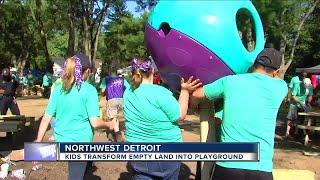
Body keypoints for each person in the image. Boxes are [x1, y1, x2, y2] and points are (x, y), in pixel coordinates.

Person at [192, 48, 287, 180]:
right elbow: (277, 79)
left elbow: (197, 94)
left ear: (254, 63)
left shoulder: (230, 81)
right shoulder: (280, 88)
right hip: (261, 168)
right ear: (276, 72)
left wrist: (194, 106)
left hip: (228, 165)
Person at [35, 54, 114, 180]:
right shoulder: (89, 90)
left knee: (87, 166)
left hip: (61, 140)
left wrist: (38, 141)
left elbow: (46, 117)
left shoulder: (58, 88)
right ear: (87, 71)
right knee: (75, 176)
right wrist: (110, 124)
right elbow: (95, 122)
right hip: (78, 143)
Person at [124, 57, 201, 180]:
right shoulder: (161, 93)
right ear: (152, 70)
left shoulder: (128, 92)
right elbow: (179, 115)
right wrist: (185, 91)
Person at [100, 62, 129, 142]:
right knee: (119, 118)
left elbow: (102, 91)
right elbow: (128, 88)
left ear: (110, 70)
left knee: (113, 118)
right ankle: (118, 132)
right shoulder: (122, 79)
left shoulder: (106, 79)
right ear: (117, 70)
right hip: (121, 99)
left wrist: (105, 91)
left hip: (111, 99)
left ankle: (116, 133)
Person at [285, 71, 313, 138]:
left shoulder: (310, 86)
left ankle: (297, 132)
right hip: (294, 103)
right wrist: (300, 102)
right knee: (291, 117)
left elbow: (310, 95)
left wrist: (308, 102)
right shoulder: (297, 85)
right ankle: (287, 132)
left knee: (301, 118)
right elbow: (293, 95)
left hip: (303, 103)